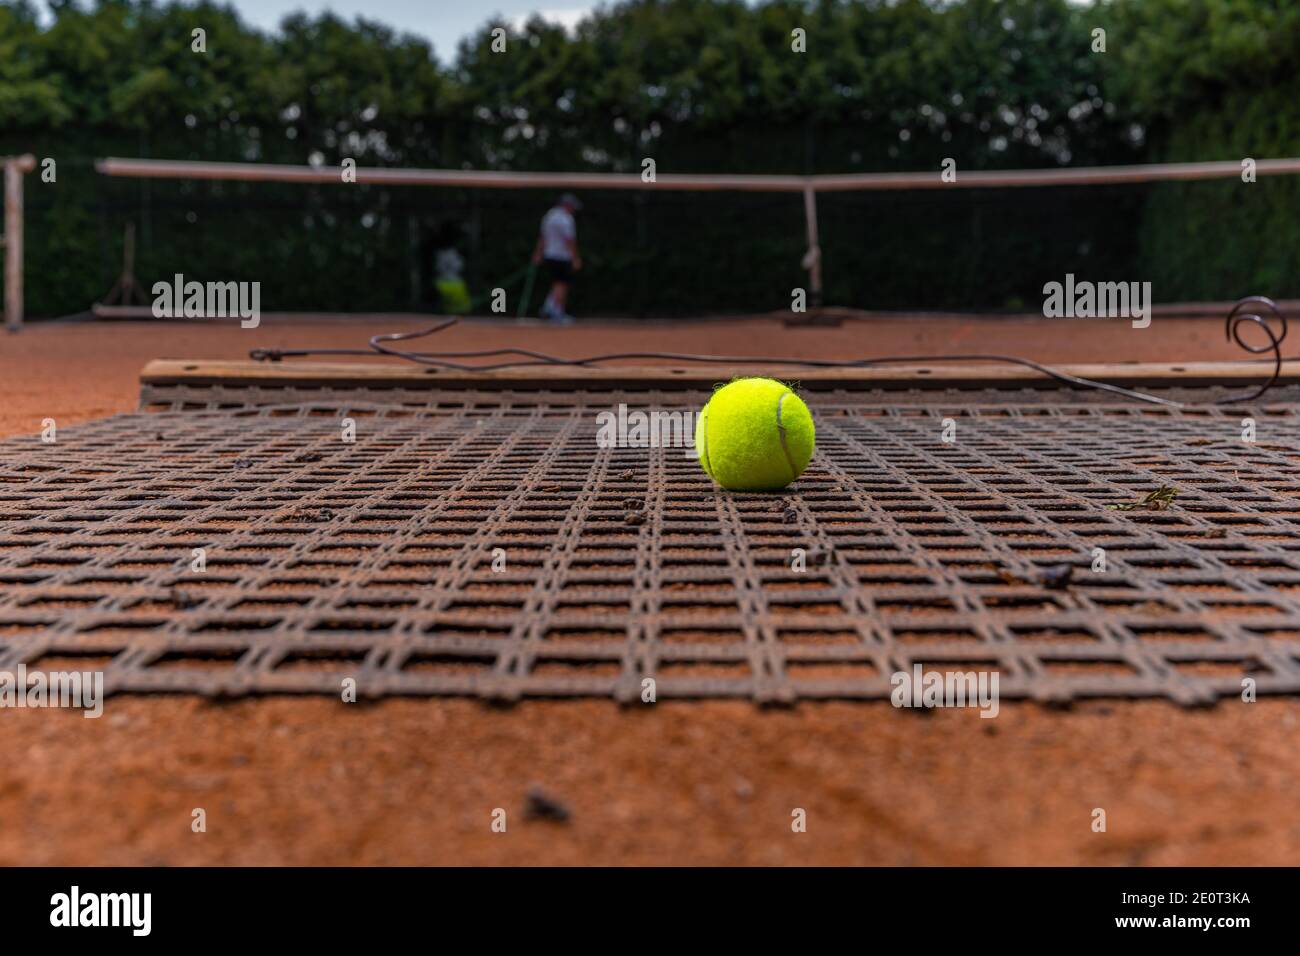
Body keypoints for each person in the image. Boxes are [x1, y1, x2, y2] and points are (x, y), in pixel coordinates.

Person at [532, 193, 582, 323]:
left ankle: (548, 309)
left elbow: (542, 237)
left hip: (549, 255)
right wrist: (575, 257)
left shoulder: (549, 216)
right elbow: (569, 240)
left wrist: (538, 253)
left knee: (556, 284)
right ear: (567, 206)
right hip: (561, 256)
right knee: (561, 285)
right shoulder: (566, 219)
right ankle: (557, 313)